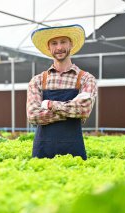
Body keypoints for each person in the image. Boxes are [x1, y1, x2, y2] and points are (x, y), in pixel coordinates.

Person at [27, 24, 97, 160]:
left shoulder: (86, 79)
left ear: (71, 44)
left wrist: (50, 104)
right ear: (49, 47)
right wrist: (71, 112)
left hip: (73, 149)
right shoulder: (37, 80)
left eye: (63, 42)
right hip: (43, 149)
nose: (59, 47)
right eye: (54, 43)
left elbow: (84, 110)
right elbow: (33, 116)